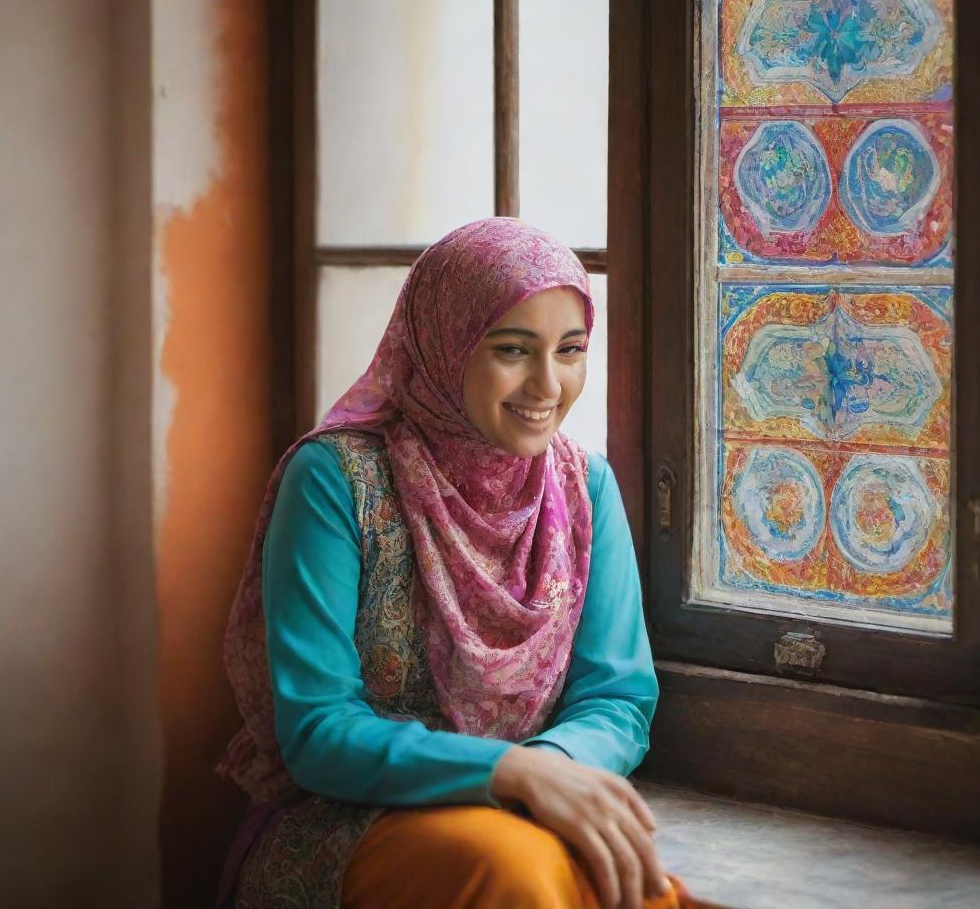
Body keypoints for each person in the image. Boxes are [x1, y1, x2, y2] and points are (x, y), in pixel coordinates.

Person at [216, 218, 696, 909]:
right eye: (511, 349)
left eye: (570, 350)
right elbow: (317, 731)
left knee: (638, 890)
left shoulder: (584, 486)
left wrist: (552, 772)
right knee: (517, 881)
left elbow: (617, 697)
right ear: (446, 343)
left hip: (537, 801)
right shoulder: (336, 480)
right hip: (351, 814)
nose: (547, 384)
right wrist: (509, 774)